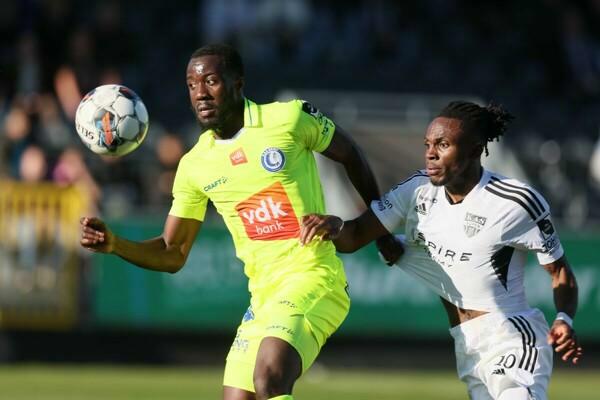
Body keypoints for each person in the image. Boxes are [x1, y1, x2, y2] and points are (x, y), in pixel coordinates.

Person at [80, 43, 386, 400]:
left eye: (211, 81)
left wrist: (377, 225)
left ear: (237, 83)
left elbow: (351, 154)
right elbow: (172, 251)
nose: (200, 94)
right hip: (263, 297)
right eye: (192, 86)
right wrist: (116, 244)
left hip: (314, 277)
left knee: (269, 375)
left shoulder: (288, 119)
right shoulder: (195, 165)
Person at [300, 101, 583, 400]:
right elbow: (355, 236)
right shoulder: (417, 190)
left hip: (511, 336)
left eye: (443, 144)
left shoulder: (516, 203)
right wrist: (335, 226)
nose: (430, 153)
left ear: (474, 150)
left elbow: (559, 270)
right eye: (428, 144)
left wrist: (564, 318)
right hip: (467, 345)